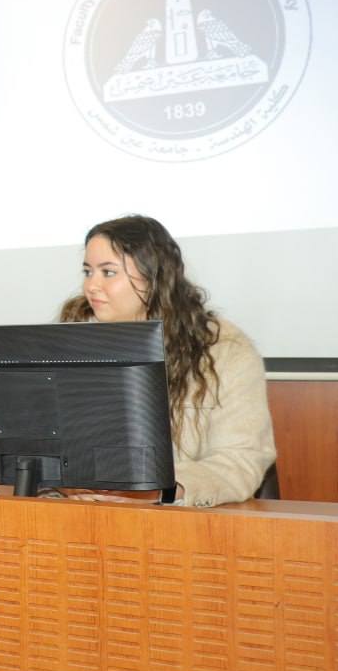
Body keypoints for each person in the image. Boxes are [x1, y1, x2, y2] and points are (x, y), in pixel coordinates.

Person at [58, 215, 276, 507]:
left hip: (182, 521)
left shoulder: (223, 350)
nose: (91, 286)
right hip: (82, 512)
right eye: (88, 271)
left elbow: (241, 459)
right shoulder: (71, 343)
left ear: (154, 276)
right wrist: (63, 478)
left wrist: (158, 491)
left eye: (108, 272)